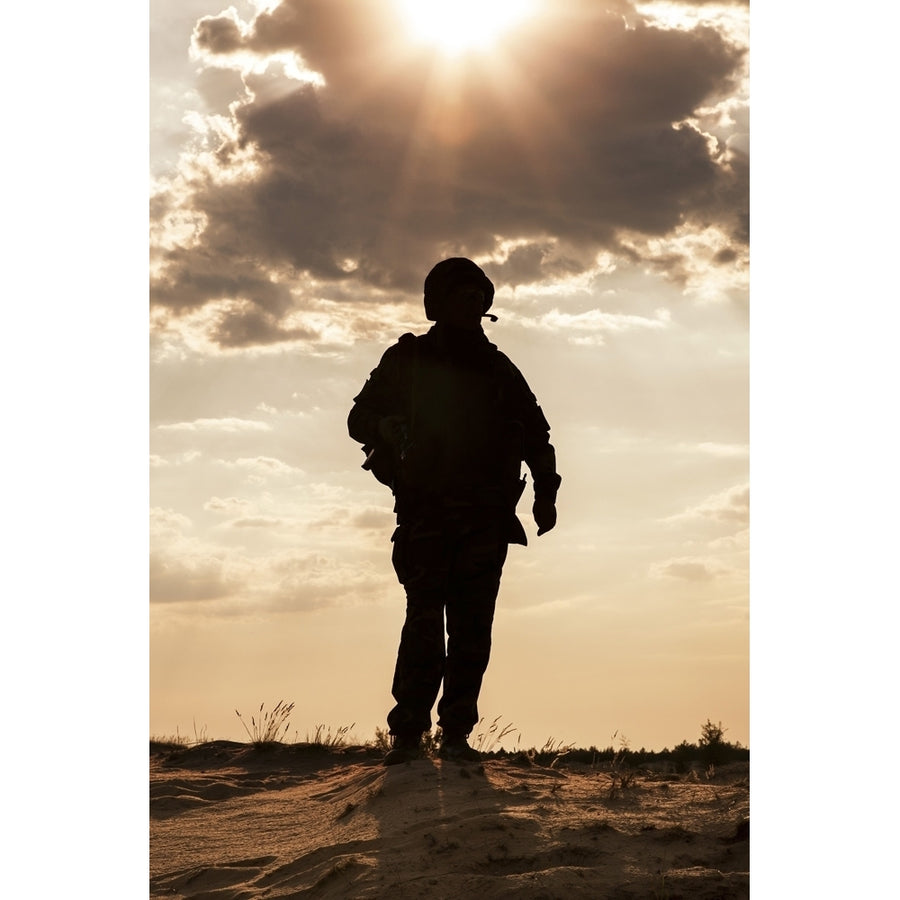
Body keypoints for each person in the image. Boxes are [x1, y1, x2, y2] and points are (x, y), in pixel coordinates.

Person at [348, 257, 561, 765]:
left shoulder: (499, 369)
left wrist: (545, 495)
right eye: (460, 295)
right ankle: (408, 735)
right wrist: (388, 428)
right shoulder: (408, 362)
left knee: (472, 629)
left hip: (486, 518)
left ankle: (457, 734)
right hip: (426, 514)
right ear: (437, 303)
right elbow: (359, 416)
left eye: (478, 296)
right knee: (423, 621)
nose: (471, 303)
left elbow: (537, 435)